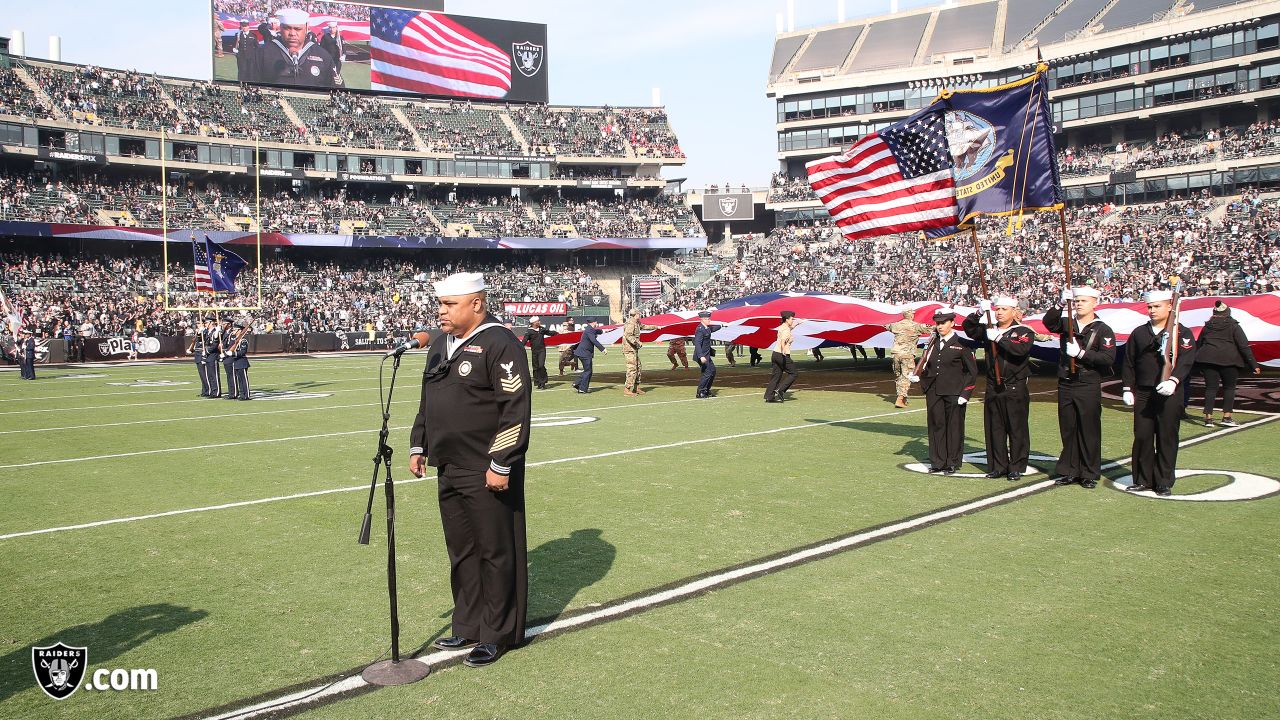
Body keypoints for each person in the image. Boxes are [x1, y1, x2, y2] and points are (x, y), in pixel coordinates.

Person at [408, 272, 530, 669]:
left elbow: (515, 409)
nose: (440, 312)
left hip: (486, 467)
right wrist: (418, 443)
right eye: (440, 304)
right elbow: (428, 398)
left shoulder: (501, 342)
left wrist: (501, 463)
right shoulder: (441, 343)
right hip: (449, 464)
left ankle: (497, 633)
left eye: (448, 305)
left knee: (495, 551)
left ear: (476, 304)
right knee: (461, 550)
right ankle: (468, 622)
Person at [1122, 290, 1196, 496]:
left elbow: (1186, 360)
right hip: (1144, 392)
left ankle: (1164, 480)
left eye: (1157, 306)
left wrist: (1174, 380)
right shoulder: (1139, 333)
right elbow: (1129, 362)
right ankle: (1142, 479)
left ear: (1170, 307)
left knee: (1167, 436)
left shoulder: (1181, 332)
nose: (1152, 310)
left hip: (1169, 393)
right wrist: (1128, 387)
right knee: (1143, 436)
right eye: (1150, 307)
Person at [1043, 286, 1117, 489]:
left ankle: (1089, 472)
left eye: (1083, 301)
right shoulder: (1068, 322)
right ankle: (1069, 469)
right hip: (1067, 381)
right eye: (1076, 301)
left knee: (1088, 429)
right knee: (1068, 427)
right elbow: (1048, 323)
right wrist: (1059, 304)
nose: (1078, 304)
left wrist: (1082, 354)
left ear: (1095, 303)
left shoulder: (1102, 329)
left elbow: (1108, 358)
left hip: (1087, 382)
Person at [962, 296, 1036, 481]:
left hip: (1014, 385)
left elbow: (1020, 350)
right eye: (997, 309)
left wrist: (1000, 338)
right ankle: (998, 465)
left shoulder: (1023, 331)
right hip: (993, 385)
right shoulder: (989, 329)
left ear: (1013, 311)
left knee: (1016, 428)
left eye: (1004, 309)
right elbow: (969, 328)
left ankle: (1017, 466)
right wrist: (978, 313)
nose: (1000, 312)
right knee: (995, 427)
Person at [909, 308, 976, 474]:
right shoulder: (932, 344)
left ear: (952, 323)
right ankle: (938, 461)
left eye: (943, 323)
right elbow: (929, 366)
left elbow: (971, 372)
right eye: (937, 323)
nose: (939, 326)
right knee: (936, 426)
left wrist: (965, 394)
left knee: (954, 427)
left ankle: (952, 462)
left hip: (954, 392)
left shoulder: (962, 344)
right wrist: (920, 376)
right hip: (934, 391)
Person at [1194, 300, 1260, 427]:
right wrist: (1254, 365)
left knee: (1210, 388)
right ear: (1228, 313)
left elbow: (1199, 344)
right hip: (1229, 360)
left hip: (1208, 359)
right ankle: (1227, 417)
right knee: (1229, 388)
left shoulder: (1207, 326)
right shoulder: (1234, 325)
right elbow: (1244, 346)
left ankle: (1208, 419)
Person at [251, 8, 338, 88]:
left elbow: (338, 90)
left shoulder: (323, 56)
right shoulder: (262, 53)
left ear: (307, 28)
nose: (292, 33)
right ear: (280, 28)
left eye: (297, 29)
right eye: (287, 28)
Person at [886, 307, 932, 408]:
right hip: (907, 354)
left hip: (895, 353)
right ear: (911, 315)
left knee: (899, 376)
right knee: (906, 376)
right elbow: (932, 329)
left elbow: (887, 326)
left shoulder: (896, 325)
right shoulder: (916, 326)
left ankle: (902, 397)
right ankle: (900, 399)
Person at [764, 311, 801, 403]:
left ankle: (769, 396)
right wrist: (784, 350)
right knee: (793, 373)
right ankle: (781, 390)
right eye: (792, 319)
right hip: (782, 354)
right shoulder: (786, 330)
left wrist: (797, 323)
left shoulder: (782, 327)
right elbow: (783, 340)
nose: (793, 320)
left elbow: (789, 329)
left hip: (775, 354)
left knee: (776, 376)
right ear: (787, 319)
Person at [621, 308, 659, 397]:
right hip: (629, 350)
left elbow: (644, 326)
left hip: (634, 349)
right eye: (639, 314)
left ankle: (636, 387)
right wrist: (637, 342)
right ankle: (627, 389)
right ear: (635, 315)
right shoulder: (630, 323)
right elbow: (628, 335)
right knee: (632, 369)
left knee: (638, 367)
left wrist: (656, 327)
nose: (640, 315)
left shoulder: (636, 322)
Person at [520, 316, 557, 390]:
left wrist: (557, 333)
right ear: (533, 323)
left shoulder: (541, 329)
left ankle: (543, 382)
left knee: (541, 365)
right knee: (536, 367)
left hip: (542, 350)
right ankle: (538, 382)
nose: (539, 322)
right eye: (537, 321)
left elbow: (549, 333)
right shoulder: (529, 331)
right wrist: (519, 347)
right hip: (534, 351)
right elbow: (524, 341)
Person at [693, 311, 722, 399]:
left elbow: (713, 329)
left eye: (709, 318)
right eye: (708, 319)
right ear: (702, 319)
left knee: (712, 371)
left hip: (707, 355)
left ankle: (706, 390)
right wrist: (701, 356)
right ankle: (700, 392)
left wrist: (722, 325)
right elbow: (697, 343)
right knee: (707, 373)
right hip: (702, 356)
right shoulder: (700, 329)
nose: (709, 320)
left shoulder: (706, 328)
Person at [572, 321, 607, 394]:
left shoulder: (590, 329)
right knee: (588, 371)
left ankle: (577, 383)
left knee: (587, 371)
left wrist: (603, 331)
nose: (597, 324)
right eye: (596, 322)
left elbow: (597, 331)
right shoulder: (589, 330)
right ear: (593, 323)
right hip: (585, 353)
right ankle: (582, 388)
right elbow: (594, 340)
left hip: (583, 353)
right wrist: (602, 349)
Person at [229, 318, 252, 400]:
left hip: (242, 362)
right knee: (239, 380)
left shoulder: (243, 340)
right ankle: (242, 394)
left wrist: (233, 353)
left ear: (239, 330)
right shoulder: (236, 340)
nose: (233, 331)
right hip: (236, 362)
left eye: (235, 330)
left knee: (244, 380)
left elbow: (242, 352)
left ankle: (246, 395)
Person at [188, 317, 210, 397]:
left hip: (202, 355)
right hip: (197, 355)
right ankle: (204, 391)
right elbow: (196, 343)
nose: (197, 325)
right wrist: (192, 349)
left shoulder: (205, 332)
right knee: (202, 375)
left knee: (205, 375)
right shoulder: (198, 331)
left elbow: (204, 342)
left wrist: (201, 333)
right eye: (197, 323)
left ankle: (208, 390)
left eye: (199, 323)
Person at [220, 319, 238, 399]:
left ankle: (234, 393)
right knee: (228, 376)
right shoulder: (224, 333)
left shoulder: (232, 333)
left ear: (229, 324)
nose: (223, 325)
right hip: (225, 356)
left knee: (232, 376)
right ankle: (231, 392)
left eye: (224, 324)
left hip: (229, 356)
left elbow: (232, 345)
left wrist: (225, 352)